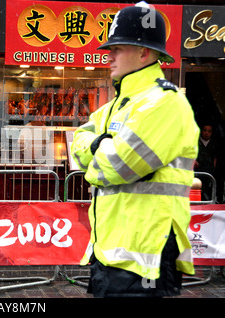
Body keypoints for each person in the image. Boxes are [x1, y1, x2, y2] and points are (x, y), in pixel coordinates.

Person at [71, 3, 199, 297]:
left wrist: (97, 148)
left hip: (146, 255)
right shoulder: (119, 103)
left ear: (144, 52)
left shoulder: (165, 103)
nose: (109, 55)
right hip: (111, 252)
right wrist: (100, 146)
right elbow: (76, 146)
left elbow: (115, 168)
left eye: (118, 48)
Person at [194, 124, 220, 202]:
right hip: (198, 171)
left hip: (209, 171)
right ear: (201, 131)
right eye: (205, 130)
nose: (206, 133)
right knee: (198, 190)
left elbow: (216, 156)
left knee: (209, 191)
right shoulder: (196, 142)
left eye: (209, 131)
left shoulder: (214, 143)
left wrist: (214, 166)